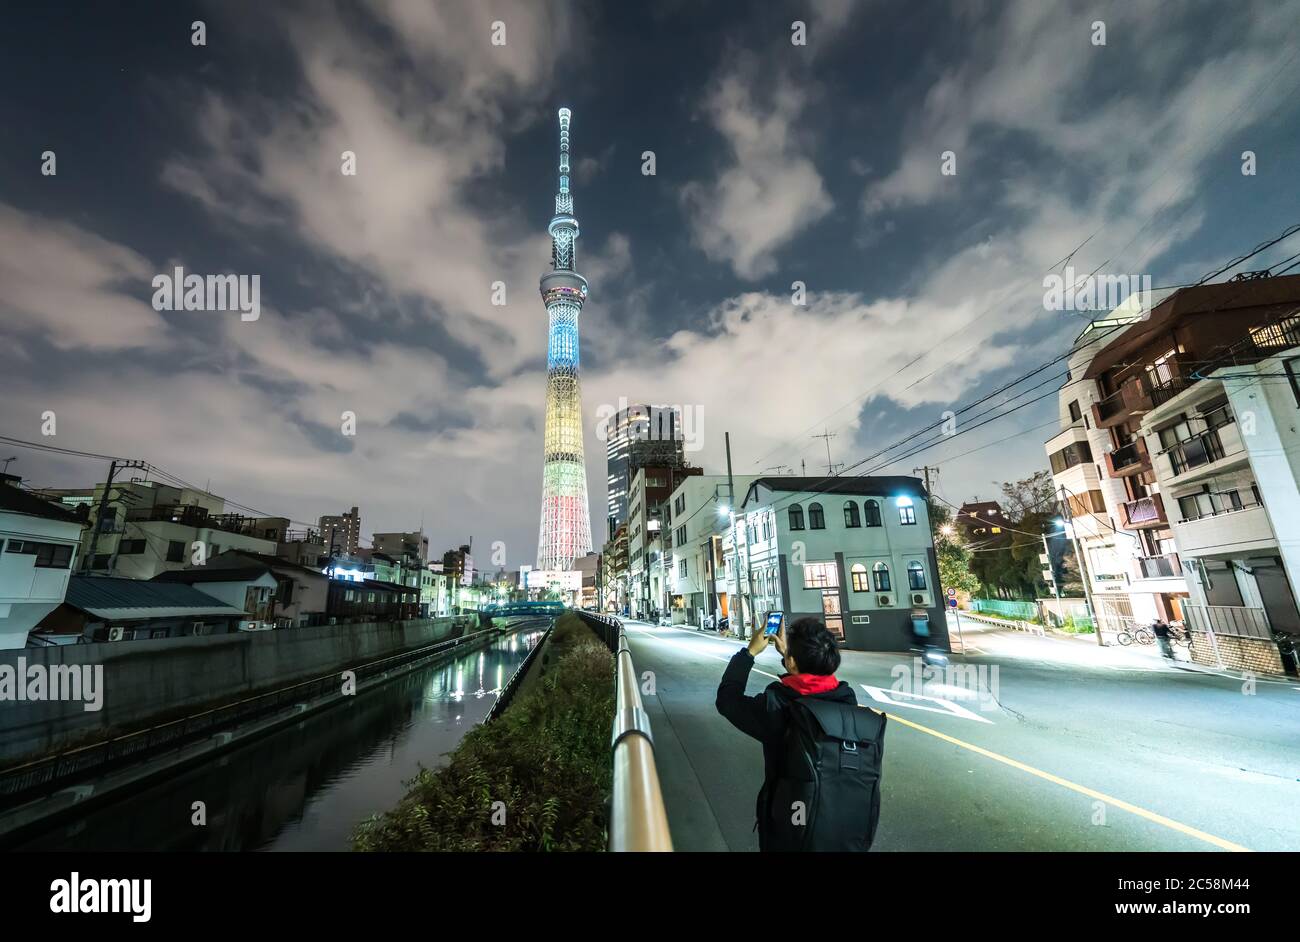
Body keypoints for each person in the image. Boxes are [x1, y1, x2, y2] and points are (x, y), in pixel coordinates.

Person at [715, 616, 886, 852]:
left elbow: (727, 700)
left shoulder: (778, 705)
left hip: (790, 831)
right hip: (840, 832)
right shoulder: (847, 699)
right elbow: (811, 684)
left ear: (793, 662)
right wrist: (790, 656)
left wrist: (749, 653)